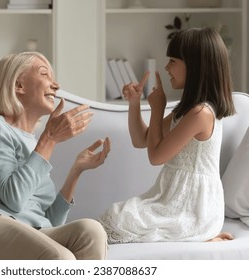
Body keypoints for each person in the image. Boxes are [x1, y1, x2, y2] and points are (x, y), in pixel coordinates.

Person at [0, 52, 111, 259]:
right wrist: (49, 139)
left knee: (91, 230)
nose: (56, 85)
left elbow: (50, 222)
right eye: (44, 75)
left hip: (28, 229)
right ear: (18, 85)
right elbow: (13, 197)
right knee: (61, 258)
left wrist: (76, 170)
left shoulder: (35, 143)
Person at [99, 27, 235, 243]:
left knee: (116, 219)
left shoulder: (201, 114)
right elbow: (141, 139)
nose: (166, 67)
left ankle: (202, 234)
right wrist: (135, 103)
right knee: (115, 217)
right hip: (170, 199)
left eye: (173, 60)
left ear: (195, 66)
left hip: (192, 208)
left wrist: (157, 109)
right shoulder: (187, 110)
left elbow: (156, 157)